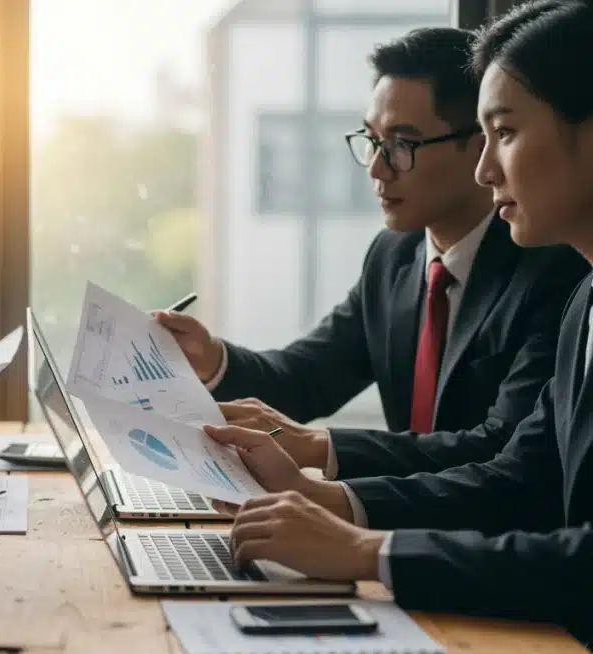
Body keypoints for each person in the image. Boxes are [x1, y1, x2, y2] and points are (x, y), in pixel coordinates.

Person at [210, 0, 593, 639]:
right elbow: (521, 476)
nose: (486, 170)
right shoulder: (587, 302)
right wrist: (328, 504)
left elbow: (547, 515)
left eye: (505, 133)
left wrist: (368, 550)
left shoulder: (556, 281)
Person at [158, 27, 588, 481]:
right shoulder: (396, 255)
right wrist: (211, 357)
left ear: (478, 144)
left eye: (402, 145)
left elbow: (500, 448)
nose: (377, 168)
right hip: (400, 521)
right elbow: (308, 377)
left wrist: (319, 452)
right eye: (371, 140)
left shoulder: (556, 268)